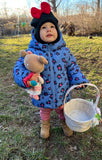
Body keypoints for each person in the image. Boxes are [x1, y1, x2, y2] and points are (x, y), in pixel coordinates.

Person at [13, 2, 89, 139]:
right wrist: (27, 78)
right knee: (45, 110)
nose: (49, 30)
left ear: (58, 31)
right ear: (37, 33)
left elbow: (73, 67)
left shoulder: (64, 52)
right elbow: (19, 68)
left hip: (62, 92)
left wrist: (79, 80)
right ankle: (45, 125)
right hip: (44, 94)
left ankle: (64, 123)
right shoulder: (32, 53)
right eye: (44, 27)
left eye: (52, 26)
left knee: (62, 110)